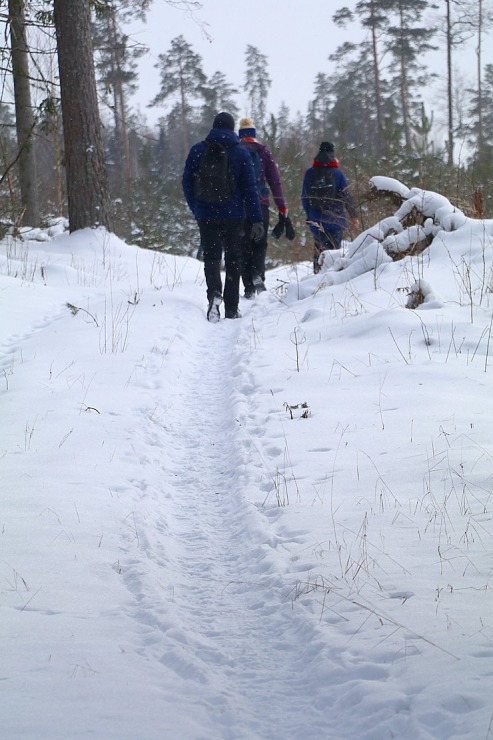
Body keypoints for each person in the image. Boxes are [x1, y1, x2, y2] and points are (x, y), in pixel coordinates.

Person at [182, 112, 264, 322]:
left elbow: (187, 183)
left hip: (206, 214)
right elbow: (250, 189)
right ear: (231, 128)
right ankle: (232, 307)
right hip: (234, 215)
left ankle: (214, 296)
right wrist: (256, 218)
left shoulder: (198, 150)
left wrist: (196, 208)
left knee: (211, 256)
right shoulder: (241, 153)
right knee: (233, 258)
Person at [238, 117, 289, 297]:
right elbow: (275, 181)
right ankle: (258, 274)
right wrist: (282, 206)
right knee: (260, 243)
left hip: (241, 205)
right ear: (254, 134)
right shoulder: (264, 151)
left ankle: (248, 287)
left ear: (240, 134)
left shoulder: (235, 151)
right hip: (261, 204)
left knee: (244, 245)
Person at [301, 141, 360, 273]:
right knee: (334, 253)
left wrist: (309, 215)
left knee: (319, 251)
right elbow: (347, 196)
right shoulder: (337, 174)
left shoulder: (310, 173)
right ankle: (332, 279)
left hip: (316, 220)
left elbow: (305, 197)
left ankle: (317, 277)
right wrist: (354, 215)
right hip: (335, 220)